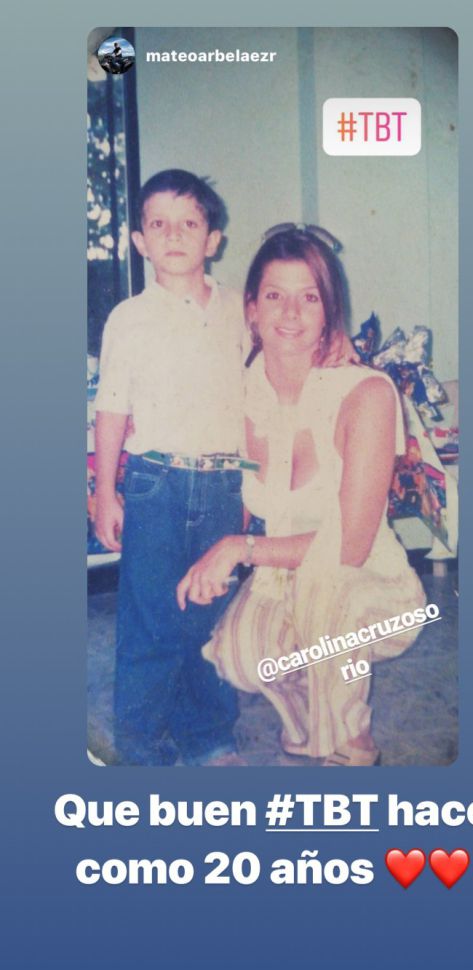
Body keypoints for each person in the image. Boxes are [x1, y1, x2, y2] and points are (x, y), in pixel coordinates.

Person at [177, 226, 426, 766]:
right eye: (275, 295)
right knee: (239, 657)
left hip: (370, 588)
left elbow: (350, 547)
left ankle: (349, 738)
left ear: (328, 311)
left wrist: (239, 548)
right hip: (281, 579)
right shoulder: (240, 393)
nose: (290, 313)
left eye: (309, 297)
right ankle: (307, 720)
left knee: (328, 601)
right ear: (251, 309)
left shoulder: (365, 394)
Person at [94, 169, 248, 766]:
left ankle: (208, 734)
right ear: (140, 241)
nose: (174, 235)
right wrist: (105, 492)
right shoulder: (128, 317)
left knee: (210, 614)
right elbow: (111, 409)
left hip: (223, 484)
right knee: (152, 619)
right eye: (159, 224)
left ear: (213, 239)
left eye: (189, 223)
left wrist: (252, 490)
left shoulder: (240, 310)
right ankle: (140, 744)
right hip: (153, 482)